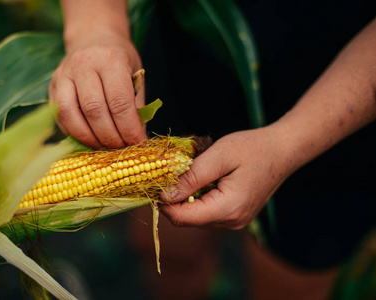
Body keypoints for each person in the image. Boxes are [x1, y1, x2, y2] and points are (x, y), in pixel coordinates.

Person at [50, 0, 376, 298]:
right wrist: (96, 28)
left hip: (337, 111)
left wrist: (288, 142)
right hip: (188, 57)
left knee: (289, 280)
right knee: (169, 251)